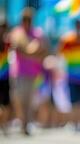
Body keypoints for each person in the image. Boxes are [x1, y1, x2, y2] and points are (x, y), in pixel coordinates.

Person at [9, 7, 48, 135]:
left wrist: (27, 52)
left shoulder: (37, 33)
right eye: (25, 19)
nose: (27, 21)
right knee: (18, 98)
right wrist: (31, 53)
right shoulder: (17, 32)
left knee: (29, 99)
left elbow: (41, 50)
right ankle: (22, 121)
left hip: (32, 73)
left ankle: (25, 124)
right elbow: (17, 48)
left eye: (29, 19)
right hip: (18, 71)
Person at [0, 21, 10, 135]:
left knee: (5, 103)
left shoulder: (7, 43)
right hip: (4, 77)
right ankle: (3, 125)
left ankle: (4, 125)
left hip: (5, 77)